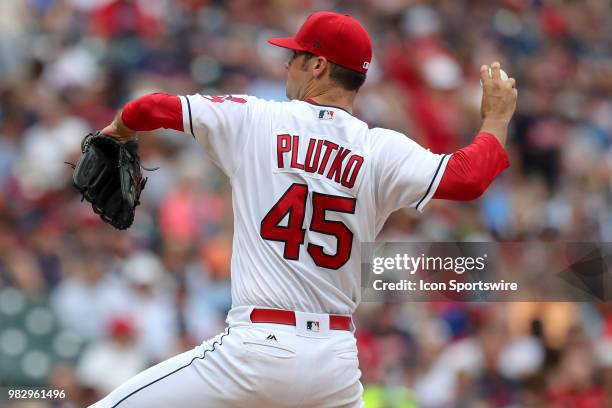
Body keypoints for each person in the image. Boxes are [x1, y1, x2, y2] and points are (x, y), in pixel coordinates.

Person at [90, 11, 517, 408]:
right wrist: (495, 120)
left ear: (318, 66)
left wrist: (119, 130)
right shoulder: (381, 149)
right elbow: (468, 178)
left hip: (255, 350)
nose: (286, 64)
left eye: (295, 55)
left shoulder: (256, 119)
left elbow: (150, 107)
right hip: (333, 366)